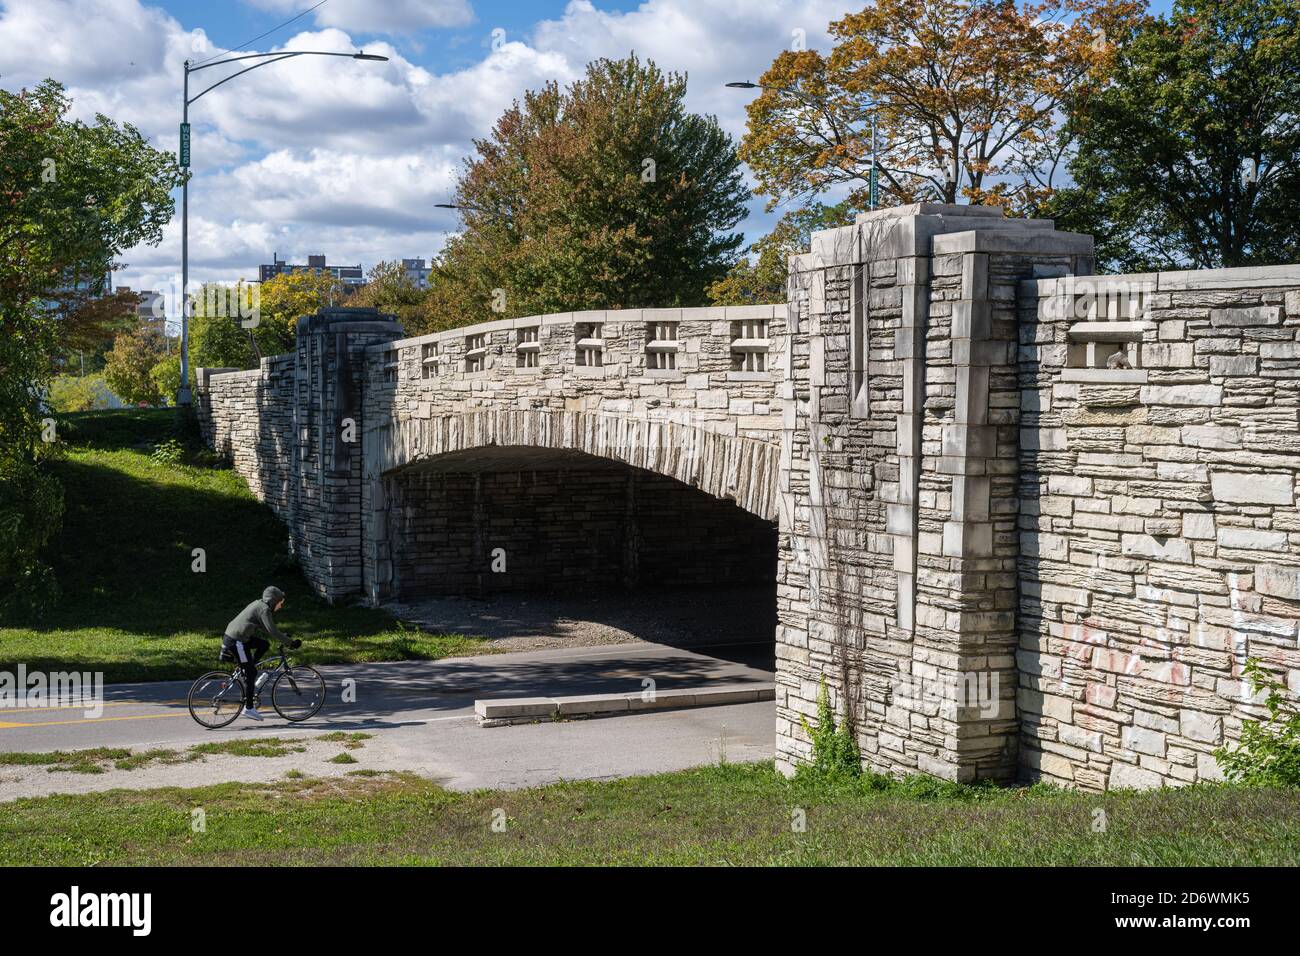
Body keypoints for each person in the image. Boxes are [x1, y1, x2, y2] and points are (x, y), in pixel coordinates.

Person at [221, 585, 289, 721]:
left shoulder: (259, 604)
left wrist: (284, 637)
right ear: (274, 601)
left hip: (238, 636)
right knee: (251, 673)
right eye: (280, 603)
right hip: (236, 640)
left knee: (264, 644)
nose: (281, 606)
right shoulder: (264, 609)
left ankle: (249, 665)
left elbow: (267, 628)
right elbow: (272, 631)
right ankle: (249, 708)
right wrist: (291, 642)